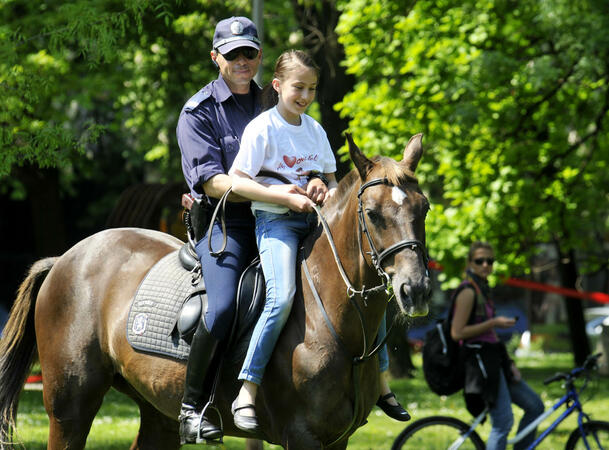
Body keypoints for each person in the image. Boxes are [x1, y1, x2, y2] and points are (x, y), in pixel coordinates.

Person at [228, 49, 409, 433]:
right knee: (280, 297)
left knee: (369, 288)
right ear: (277, 86)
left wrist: (320, 187)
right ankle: (247, 388)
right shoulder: (263, 128)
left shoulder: (314, 130)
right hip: (276, 223)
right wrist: (285, 195)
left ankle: (381, 384)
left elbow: (329, 181)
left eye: (311, 89)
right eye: (298, 87)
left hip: (314, 223)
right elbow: (238, 182)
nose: (305, 96)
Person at [176, 16, 266, 444]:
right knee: (226, 306)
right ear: (216, 58)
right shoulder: (198, 112)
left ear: (259, 55)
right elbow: (212, 183)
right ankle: (192, 407)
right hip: (224, 226)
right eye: (232, 55)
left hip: (281, 221)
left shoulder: (276, 104)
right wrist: (281, 192)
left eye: (248, 53)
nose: (242, 61)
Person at [450, 241, 544, 450]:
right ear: (470, 262)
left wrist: (509, 363)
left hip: (496, 361)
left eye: (489, 261)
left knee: (535, 406)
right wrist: (493, 322)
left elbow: (490, 335)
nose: (485, 265)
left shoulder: (483, 289)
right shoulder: (468, 292)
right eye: (479, 260)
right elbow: (457, 333)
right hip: (481, 365)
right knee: (503, 422)